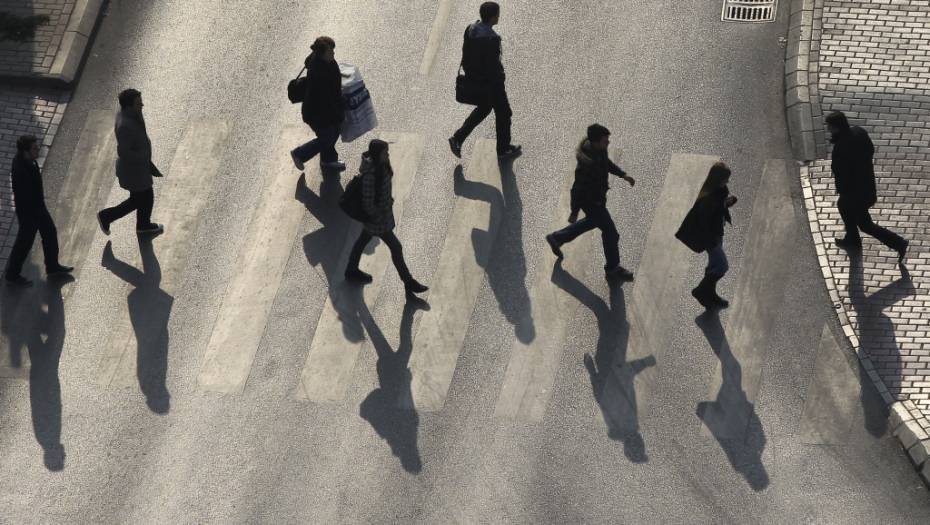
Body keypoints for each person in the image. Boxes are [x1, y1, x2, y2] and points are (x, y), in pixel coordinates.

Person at [544, 124, 635, 280]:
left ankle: (557, 238)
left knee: (591, 223)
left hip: (598, 199)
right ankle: (612, 267)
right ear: (595, 142)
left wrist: (623, 174)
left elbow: (606, 163)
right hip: (592, 203)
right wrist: (573, 213)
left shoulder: (598, 150)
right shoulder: (586, 165)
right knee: (611, 234)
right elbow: (576, 190)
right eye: (605, 139)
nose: (608, 142)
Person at [344, 139, 429, 299]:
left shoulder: (381, 167)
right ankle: (408, 282)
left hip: (381, 216)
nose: (388, 155)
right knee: (396, 248)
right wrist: (379, 217)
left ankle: (351, 269)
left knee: (362, 240)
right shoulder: (371, 176)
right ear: (377, 155)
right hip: (378, 220)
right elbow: (368, 203)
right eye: (385, 153)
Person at [826, 111, 908, 262]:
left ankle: (898, 243)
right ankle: (852, 238)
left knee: (865, 225)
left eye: (829, 126)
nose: (828, 129)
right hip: (867, 186)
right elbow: (870, 151)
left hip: (855, 194)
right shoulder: (859, 132)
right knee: (842, 206)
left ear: (836, 128)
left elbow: (841, 174)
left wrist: (842, 190)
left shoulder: (840, 148)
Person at [448, 2, 521, 159]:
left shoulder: (471, 30)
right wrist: (500, 78)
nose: (499, 17)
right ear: (493, 17)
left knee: (484, 108)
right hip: (490, 83)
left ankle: (458, 138)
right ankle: (503, 149)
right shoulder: (490, 40)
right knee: (504, 113)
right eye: (497, 14)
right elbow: (492, 66)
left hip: (474, 78)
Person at [4, 135, 73, 287]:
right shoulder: (21, 170)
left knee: (49, 233)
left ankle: (52, 266)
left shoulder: (26, 160)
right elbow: (25, 197)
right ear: (26, 152)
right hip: (29, 212)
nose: (38, 149)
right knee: (24, 243)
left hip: (37, 208)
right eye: (35, 148)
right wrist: (35, 214)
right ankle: (12, 274)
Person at [97, 89, 164, 237]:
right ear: (129, 106)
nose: (142, 105)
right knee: (139, 200)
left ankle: (143, 224)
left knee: (146, 197)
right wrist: (142, 155)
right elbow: (124, 152)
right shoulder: (125, 125)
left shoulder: (130, 114)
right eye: (139, 103)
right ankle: (107, 216)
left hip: (139, 170)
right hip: (134, 172)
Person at [679, 162, 737, 308]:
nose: (727, 182)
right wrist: (712, 245)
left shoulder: (720, 189)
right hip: (711, 237)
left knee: (713, 264)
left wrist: (731, 200)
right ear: (718, 179)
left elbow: (723, 205)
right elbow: (704, 224)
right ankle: (701, 291)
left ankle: (709, 294)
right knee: (723, 266)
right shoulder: (707, 198)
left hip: (718, 232)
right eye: (725, 179)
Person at [290, 36, 347, 172]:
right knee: (327, 138)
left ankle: (328, 160)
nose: (333, 53)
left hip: (326, 109)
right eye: (329, 51)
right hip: (317, 113)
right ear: (322, 54)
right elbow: (324, 101)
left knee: (334, 132)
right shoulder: (319, 72)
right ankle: (299, 154)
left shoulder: (326, 62)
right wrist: (340, 117)